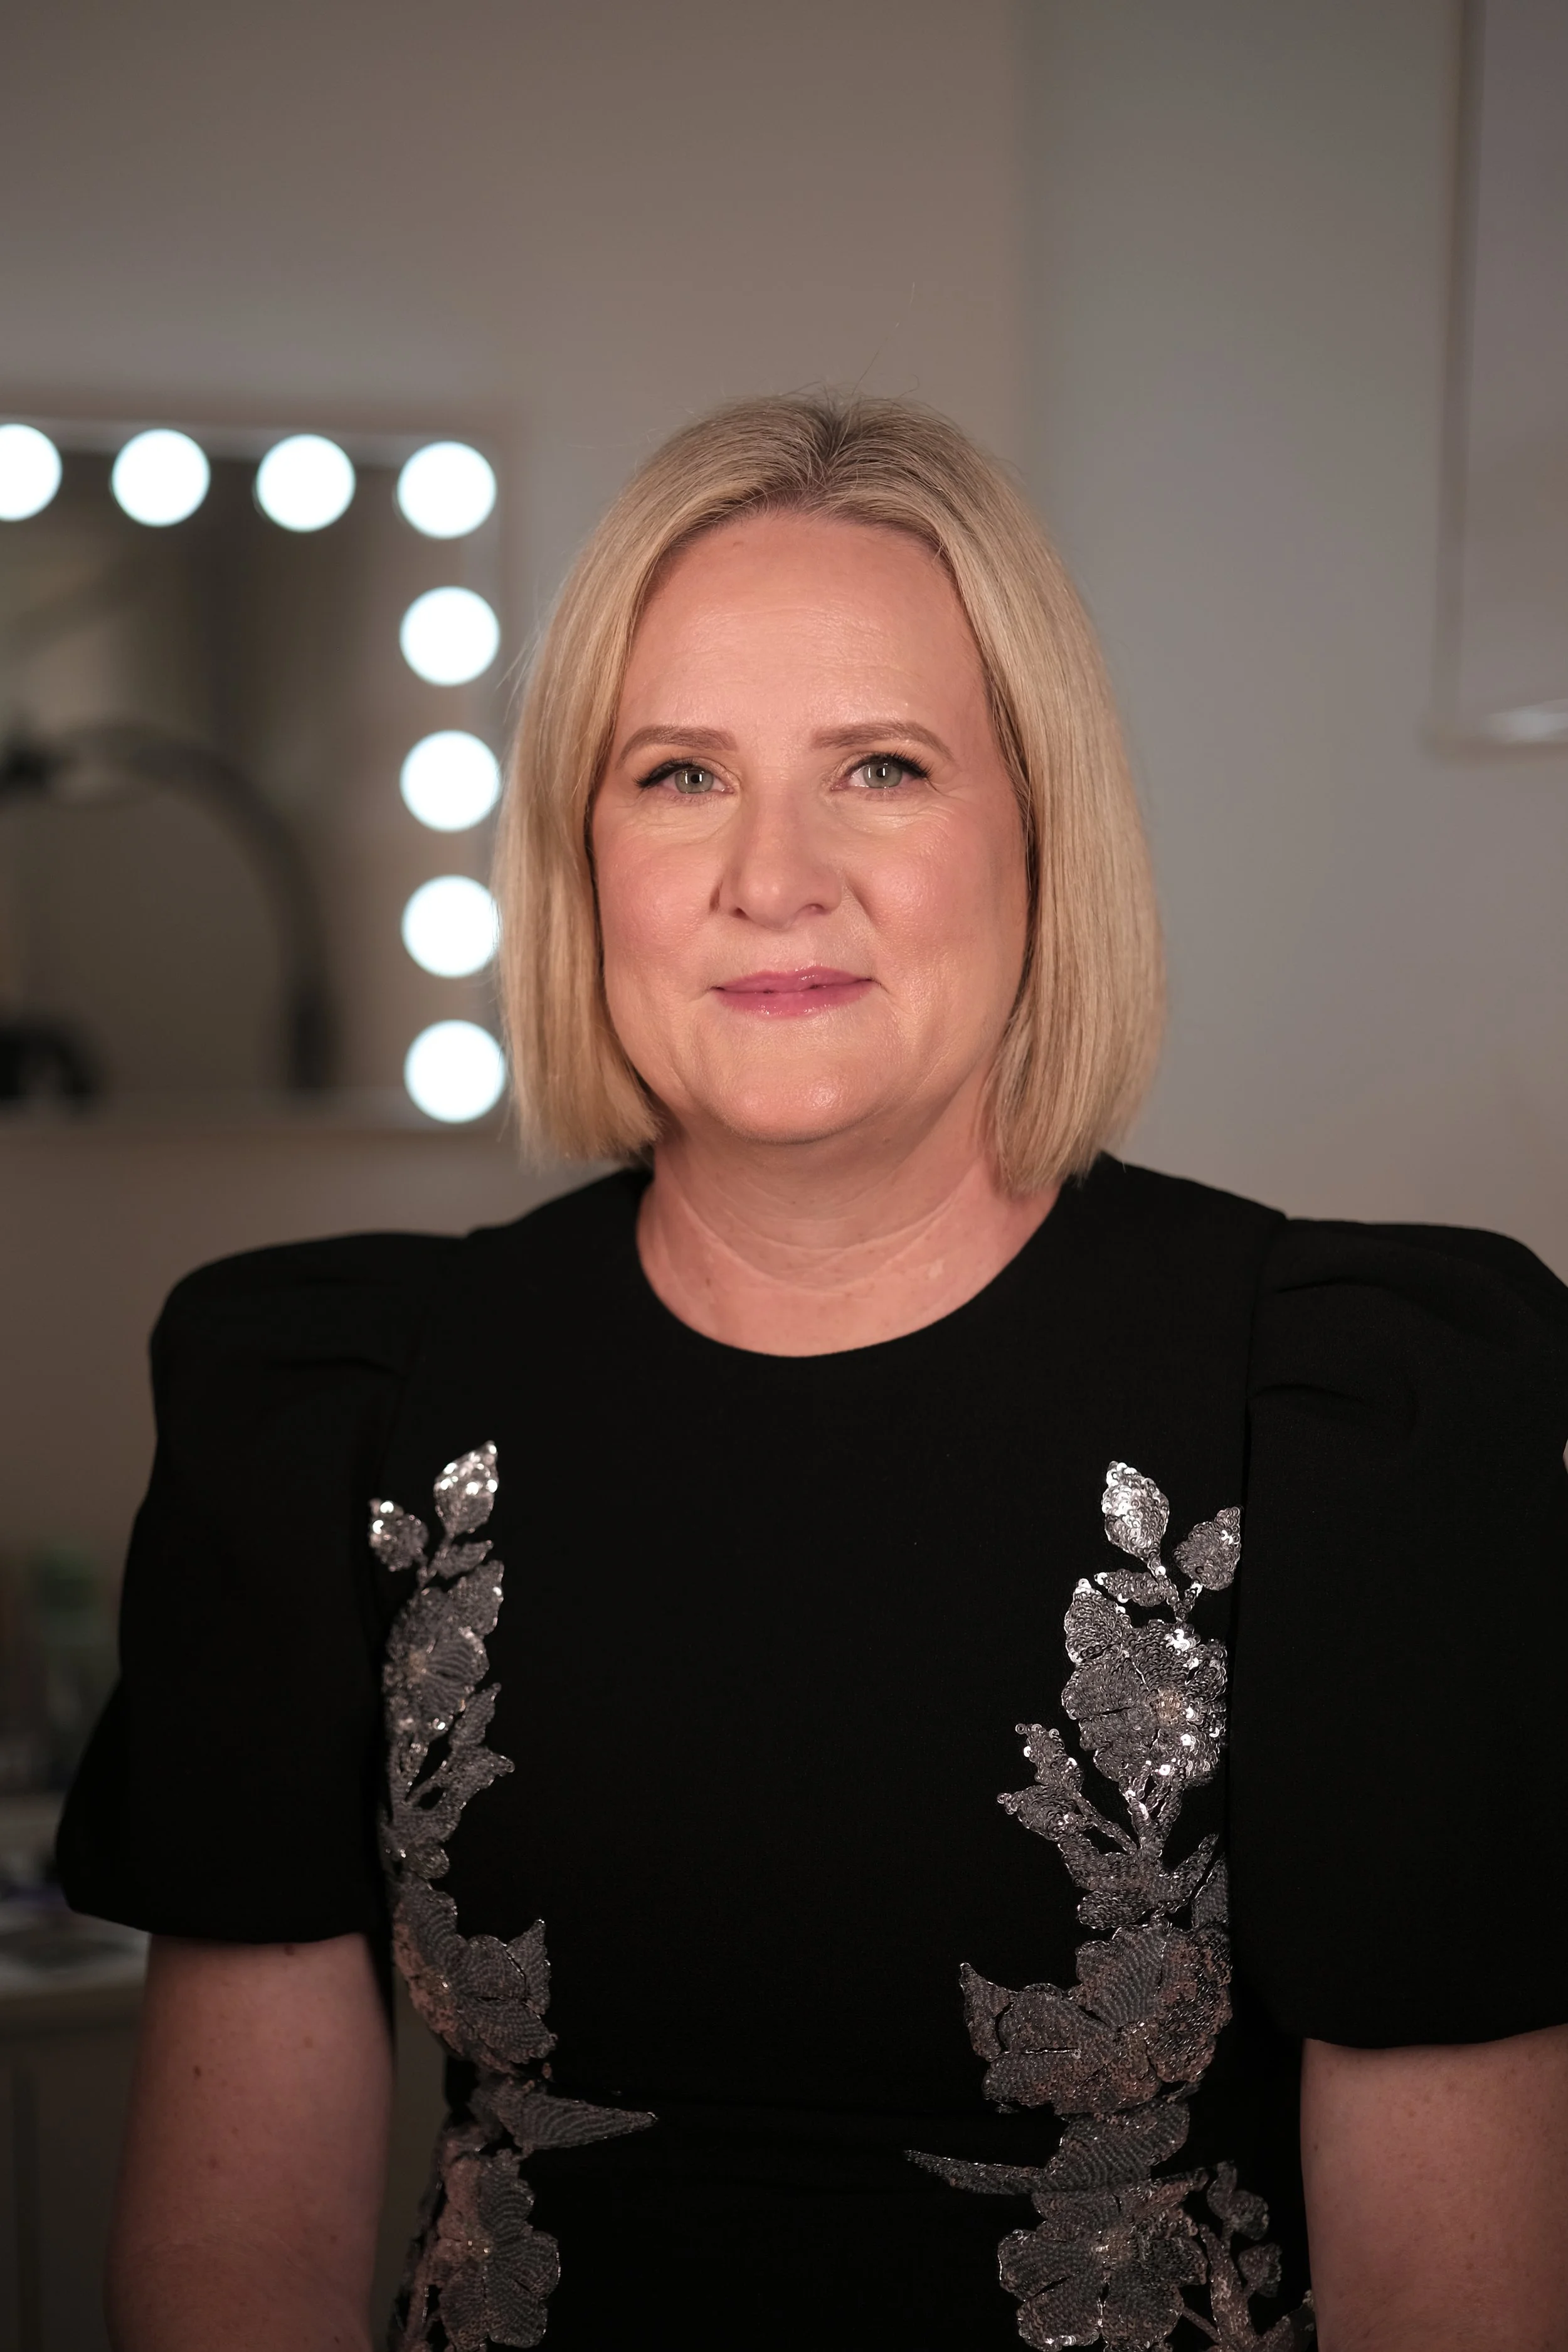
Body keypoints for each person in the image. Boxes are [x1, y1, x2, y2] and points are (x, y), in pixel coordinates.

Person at [59, 395, 1568, 2352]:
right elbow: (229, 2270)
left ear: (1037, 828)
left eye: (880, 764)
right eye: (679, 772)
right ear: (578, 854)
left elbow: (1454, 2311)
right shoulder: (334, 1406)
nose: (773, 873)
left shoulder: (1355, 1415)